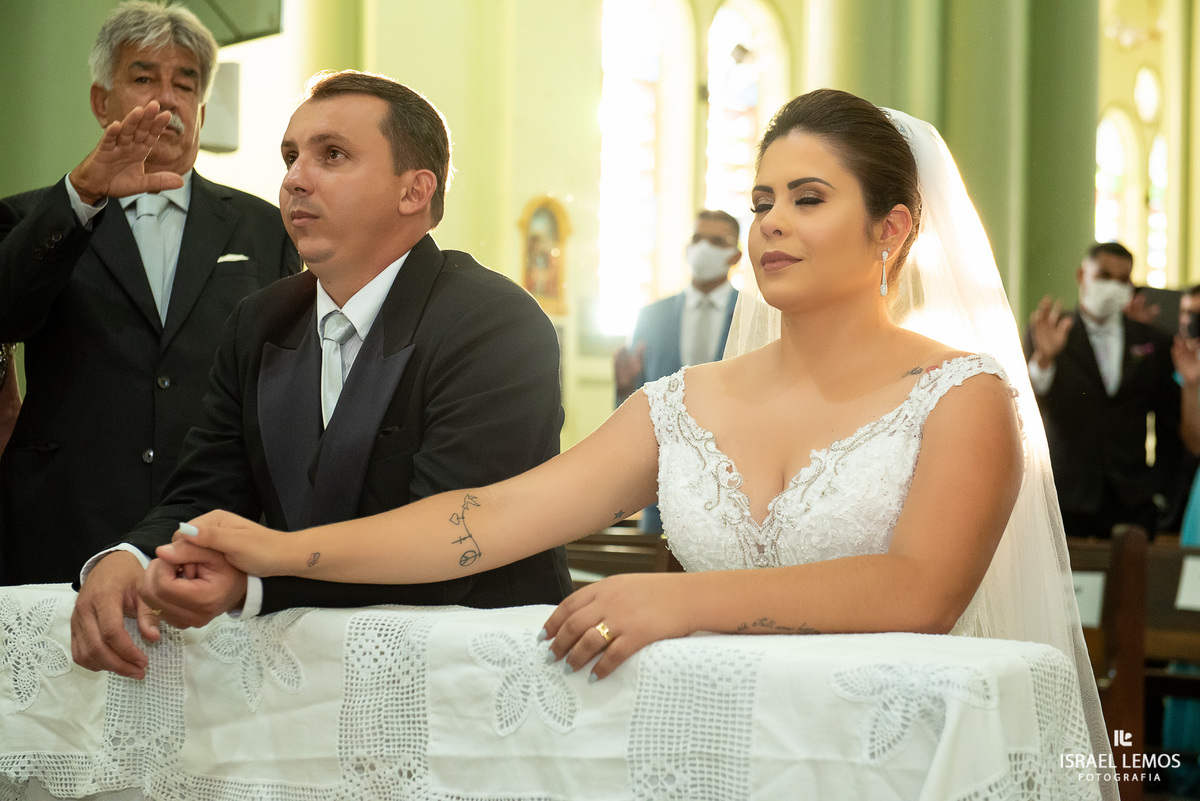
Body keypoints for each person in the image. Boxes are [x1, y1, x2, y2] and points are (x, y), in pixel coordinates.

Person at [156, 88, 1112, 793]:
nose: (770, 226)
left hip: (879, 758)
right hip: (707, 749)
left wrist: (684, 600)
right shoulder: (683, 401)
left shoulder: (961, 392)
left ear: (891, 227)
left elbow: (918, 589)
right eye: (761, 202)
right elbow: (486, 518)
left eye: (808, 199)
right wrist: (284, 553)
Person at [70, 70, 574, 680]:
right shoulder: (259, 320)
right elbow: (207, 488)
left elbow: (456, 535)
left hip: (468, 666)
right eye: (290, 157)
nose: (294, 179)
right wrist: (130, 555)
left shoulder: (493, 322)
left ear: (414, 191)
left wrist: (256, 585)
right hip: (306, 670)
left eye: (331, 155)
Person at [0, 1, 301, 585]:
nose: (167, 99)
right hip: (63, 524)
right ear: (101, 102)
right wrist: (83, 194)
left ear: (202, 110)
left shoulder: (266, 228)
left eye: (184, 84)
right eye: (143, 79)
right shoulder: (32, 218)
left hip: (213, 533)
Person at [1025, 242, 1180, 539]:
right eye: (1104, 276)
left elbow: (1168, 423)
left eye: (1123, 280)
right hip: (1067, 495)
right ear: (1082, 275)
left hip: (1132, 498)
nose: (1113, 286)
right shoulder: (1049, 332)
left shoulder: (1152, 342)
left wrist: (1158, 488)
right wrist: (1044, 359)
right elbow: (1030, 403)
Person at [613, 209, 741, 532]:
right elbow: (635, 409)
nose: (703, 248)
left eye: (716, 241)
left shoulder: (751, 315)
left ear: (736, 255)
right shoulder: (651, 316)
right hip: (661, 493)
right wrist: (623, 387)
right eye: (697, 238)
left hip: (733, 490)